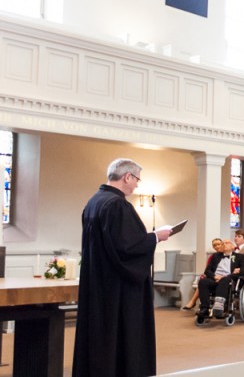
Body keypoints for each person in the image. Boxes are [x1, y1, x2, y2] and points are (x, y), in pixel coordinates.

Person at [73, 158, 172, 377]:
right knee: (120, 339)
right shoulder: (117, 205)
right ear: (127, 176)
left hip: (99, 283)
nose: (137, 184)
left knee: (100, 338)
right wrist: (156, 237)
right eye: (137, 179)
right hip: (118, 290)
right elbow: (127, 247)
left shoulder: (94, 202)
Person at [195, 239, 244, 320]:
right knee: (203, 281)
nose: (224, 244)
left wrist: (236, 271)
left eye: (227, 243)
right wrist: (215, 276)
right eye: (223, 243)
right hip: (215, 279)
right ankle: (204, 309)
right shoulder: (215, 256)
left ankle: (218, 307)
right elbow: (207, 271)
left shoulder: (239, 256)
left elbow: (243, 271)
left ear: (232, 246)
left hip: (228, 280)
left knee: (224, 280)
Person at [182, 238, 223, 310]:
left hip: (223, 277)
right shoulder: (213, 256)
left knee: (203, 281)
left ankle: (192, 301)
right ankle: (203, 307)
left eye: (218, 244)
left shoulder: (229, 255)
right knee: (203, 281)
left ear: (222, 244)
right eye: (214, 245)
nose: (217, 246)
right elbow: (208, 270)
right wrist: (213, 276)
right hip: (213, 276)